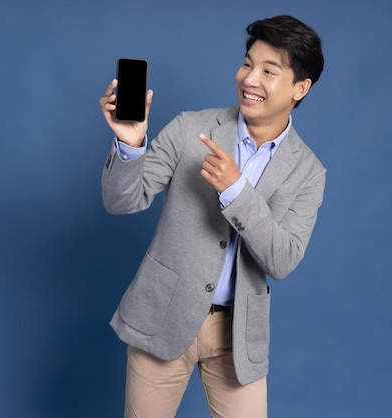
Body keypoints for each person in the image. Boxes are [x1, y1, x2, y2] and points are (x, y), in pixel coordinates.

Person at [99, 14, 326, 418]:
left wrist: (237, 191)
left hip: (238, 336)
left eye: (269, 71)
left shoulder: (308, 171)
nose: (250, 79)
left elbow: (283, 260)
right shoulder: (190, 128)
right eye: (247, 63)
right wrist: (129, 146)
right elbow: (123, 201)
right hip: (163, 319)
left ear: (300, 88)